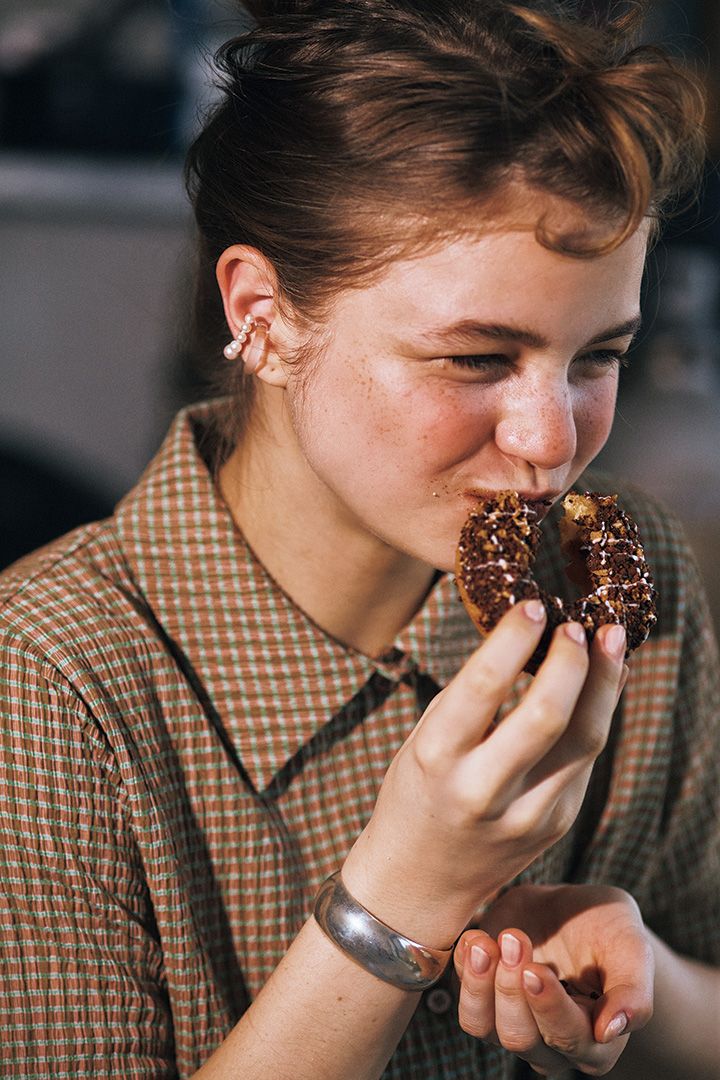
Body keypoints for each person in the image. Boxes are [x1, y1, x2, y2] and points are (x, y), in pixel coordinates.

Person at [0, 2, 718, 1077]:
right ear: (264, 316)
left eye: (597, 355)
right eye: (477, 359)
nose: (550, 440)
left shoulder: (627, 575)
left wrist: (641, 984)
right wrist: (404, 896)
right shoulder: (52, 678)